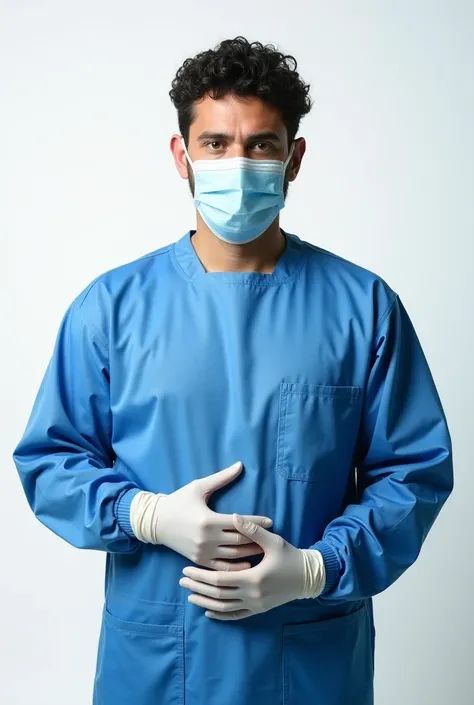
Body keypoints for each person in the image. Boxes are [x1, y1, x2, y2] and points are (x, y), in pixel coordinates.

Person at [12, 36, 453, 705]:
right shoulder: (111, 309)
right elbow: (50, 462)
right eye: (216, 143)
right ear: (181, 155)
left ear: (293, 158)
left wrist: (314, 567)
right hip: (157, 661)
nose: (237, 164)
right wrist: (148, 514)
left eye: (261, 144)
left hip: (308, 662)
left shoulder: (363, 308)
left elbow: (413, 474)